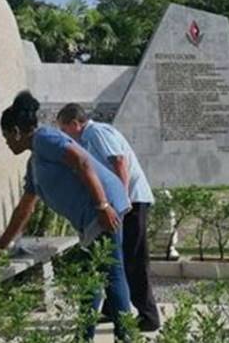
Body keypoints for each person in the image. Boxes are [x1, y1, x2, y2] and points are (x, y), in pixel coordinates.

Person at [0, 91, 132, 341]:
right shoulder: (35, 163)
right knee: (92, 276)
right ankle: (83, 336)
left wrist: (103, 206)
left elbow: (83, 163)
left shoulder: (45, 139)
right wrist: (0, 246)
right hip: (91, 217)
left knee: (111, 274)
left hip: (104, 209)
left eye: (7, 136)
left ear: (17, 131)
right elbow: (25, 208)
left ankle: (126, 336)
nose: (7, 143)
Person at [56, 104, 160, 332]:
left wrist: (121, 201)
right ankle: (112, 309)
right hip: (123, 203)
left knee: (132, 260)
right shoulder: (88, 137)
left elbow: (119, 162)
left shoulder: (96, 132)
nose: (64, 135)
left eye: (64, 129)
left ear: (75, 123)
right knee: (115, 260)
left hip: (131, 201)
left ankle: (149, 316)